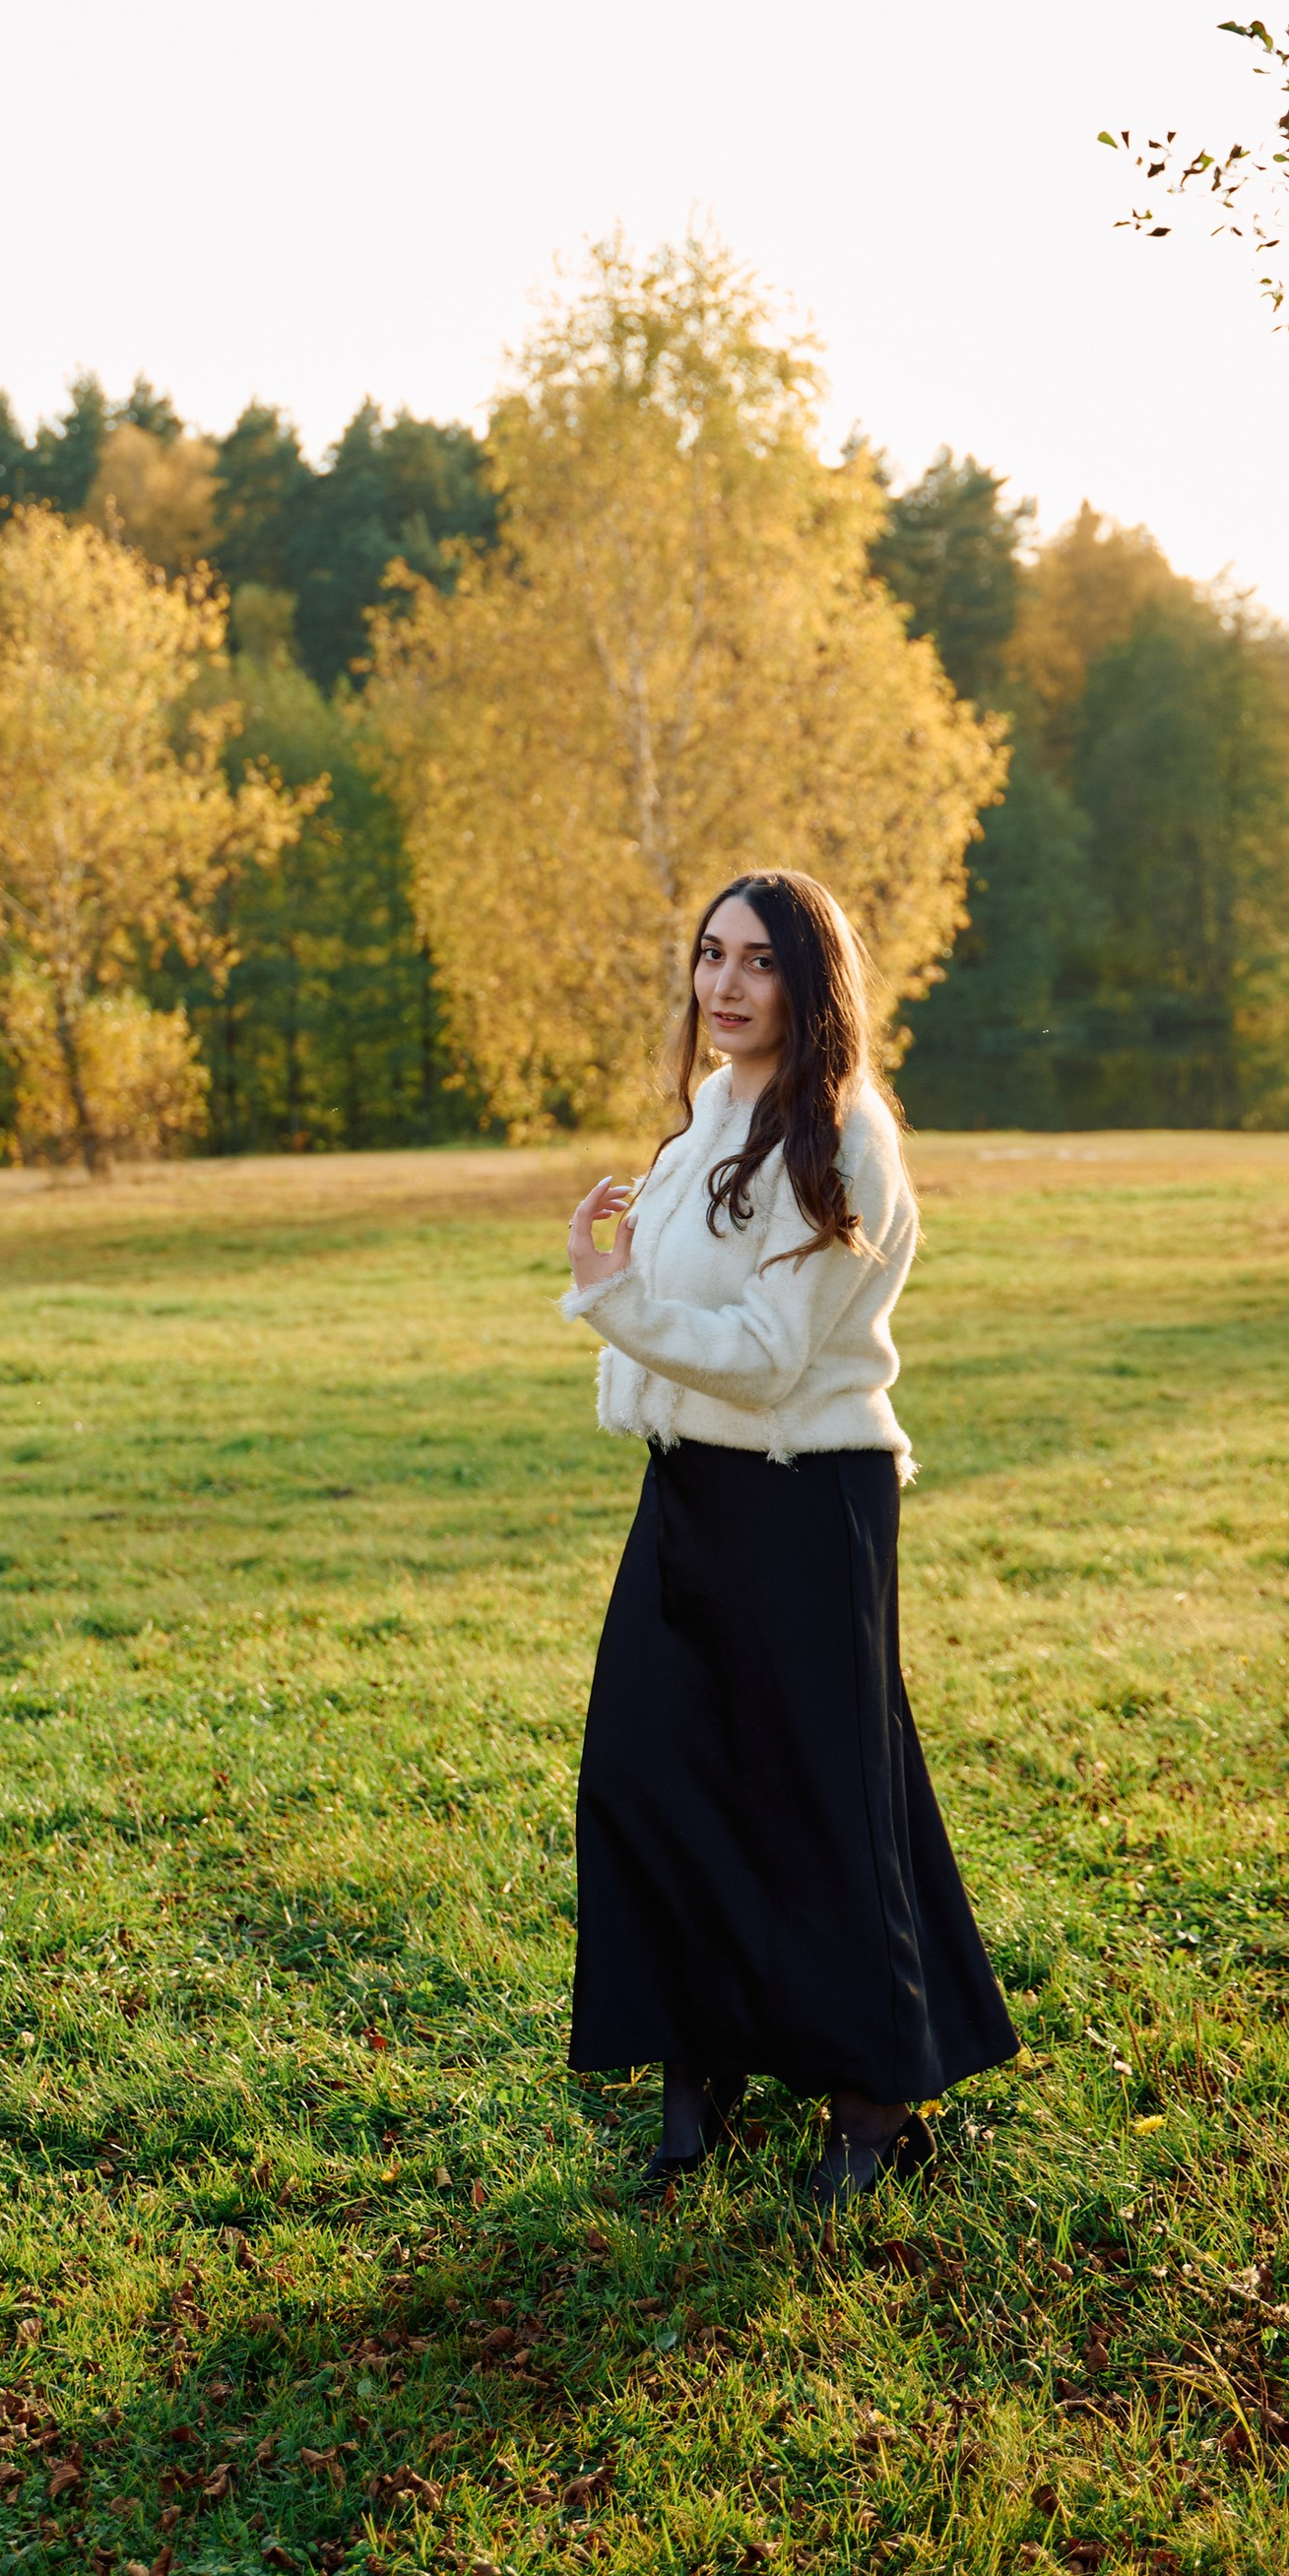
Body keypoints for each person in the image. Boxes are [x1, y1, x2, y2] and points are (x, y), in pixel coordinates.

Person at [558, 866, 1018, 2212]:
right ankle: (702, 2059)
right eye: (710, 957)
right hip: (692, 1488)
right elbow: (691, 1304)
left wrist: (608, 1301)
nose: (725, 986)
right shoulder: (714, 1107)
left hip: (807, 1496)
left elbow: (767, 1361)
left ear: (814, 984)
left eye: (759, 962)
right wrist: (628, 1281)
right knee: (651, 1770)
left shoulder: (851, 1141)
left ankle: (876, 2095)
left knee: (824, 1800)